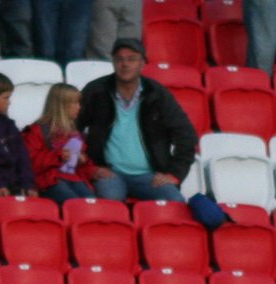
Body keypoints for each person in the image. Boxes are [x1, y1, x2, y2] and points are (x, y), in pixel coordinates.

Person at [76, 38, 196, 203]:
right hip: (109, 173)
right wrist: (89, 166)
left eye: (132, 59)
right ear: (113, 62)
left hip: (150, 175)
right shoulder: (96, 91)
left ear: (142, 63)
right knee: (109, 204)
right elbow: (70, 127)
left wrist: (174, 175)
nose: (125, 64)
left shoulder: (158, 94)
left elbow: (186, 135)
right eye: (119, 59)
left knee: (175, 203)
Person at [25, 83, 98, 205]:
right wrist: (58, 155)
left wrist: (83, 161)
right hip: (50, 180)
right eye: (74, 103)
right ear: (61, 106)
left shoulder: (74, 133)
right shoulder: (38, 130)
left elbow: (84, 166)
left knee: (92, 204)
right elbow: (30, 163)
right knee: (77, 205)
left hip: (74, 178)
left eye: (78, 103)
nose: (79, 107)